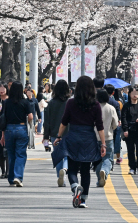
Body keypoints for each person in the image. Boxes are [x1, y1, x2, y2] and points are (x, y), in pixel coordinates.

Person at [53, 76, 105, 208]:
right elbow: (99, 126)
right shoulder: (96, 104)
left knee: (72, 168)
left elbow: (64, 122)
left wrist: (59, 136)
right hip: (88, 138)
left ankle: (75, 186)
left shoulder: (71, 103)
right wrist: (103, 144)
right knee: (86, 170)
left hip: (73, 137)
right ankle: (82, 200)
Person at [1, 81, 33, 187]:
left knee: (11, 154)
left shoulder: (6, 102)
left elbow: (3, 119)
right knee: (20, 154)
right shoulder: (25, 102)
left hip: (9, 129)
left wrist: (2, 135)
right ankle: (18, 177)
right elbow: (31, 116)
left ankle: (11, 179)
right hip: (21, 128)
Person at [43, 79, 70, 186]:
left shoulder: (51, 103)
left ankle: (60, 177)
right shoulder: (70, 103)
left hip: (55, 133)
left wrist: (46, 136)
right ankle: (65, 168)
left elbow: (47, 121)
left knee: (58, 155)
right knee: (68, 155)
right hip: (68, 133)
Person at [94, 90, 118, 187]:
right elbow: (115, 124)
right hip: (108, 136)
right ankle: (105, 171)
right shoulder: (111, 108)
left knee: (97, 159)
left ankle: (100, 178)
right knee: (107, 157)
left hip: (94, 137)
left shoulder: (93, 108)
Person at [122, 87, 138, 175]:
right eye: (133, 93)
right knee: (130, 149)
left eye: (137, 93)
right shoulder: (126, 106)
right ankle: (132, 167)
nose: (135, 95)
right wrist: (125, 129)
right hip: (130, 130)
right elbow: (123, 118)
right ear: (129, 94)